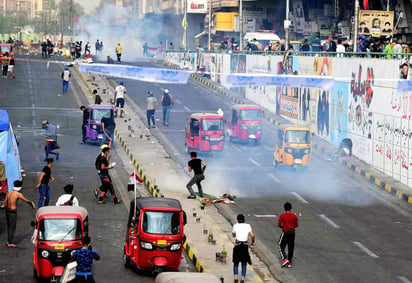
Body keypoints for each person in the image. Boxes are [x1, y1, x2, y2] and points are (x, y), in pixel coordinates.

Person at [4, 180, 35, 248]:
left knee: (9, 226)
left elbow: (5, 203)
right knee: (12, 227)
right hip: (13, 212)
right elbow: (26, 200)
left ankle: (9, 240)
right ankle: (10, 242)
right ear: (20, 186)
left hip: (7, 211)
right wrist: (31, 202)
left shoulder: (9, 192)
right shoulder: (18, 194)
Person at [232, 214, 255, 283]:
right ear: (244, 220)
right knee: (244, 263)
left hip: (237, 245)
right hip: (244, 246)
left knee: (236, 263)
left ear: (237, 220)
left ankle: (236, 279)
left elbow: (233, 235)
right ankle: (242, 279)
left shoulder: (235, 225)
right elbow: (252, 235)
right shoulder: (248, 226)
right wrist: (252, 243)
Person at [278, 202, 298, 268]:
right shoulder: (294, 216)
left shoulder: (282, 215)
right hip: (292, 233)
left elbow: (279, 225)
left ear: (284, 208)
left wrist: (284, 227)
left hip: (286, 232)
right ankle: (289, 263)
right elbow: (296, 225)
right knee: (291, 247)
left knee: (281, 246)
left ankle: (285, 259)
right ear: (290, 208)